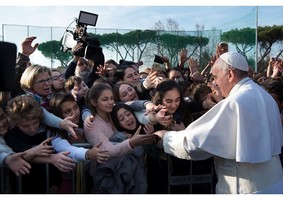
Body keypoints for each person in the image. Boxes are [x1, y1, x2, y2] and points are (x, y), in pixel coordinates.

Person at [154, 52, 283, 194]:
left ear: (230, 74)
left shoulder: (235, 102)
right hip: (275, 185)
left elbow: (195, 143)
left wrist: (166, 137)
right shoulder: (265, 95)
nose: (214, 82)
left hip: (247, 190)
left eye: (215, 77)